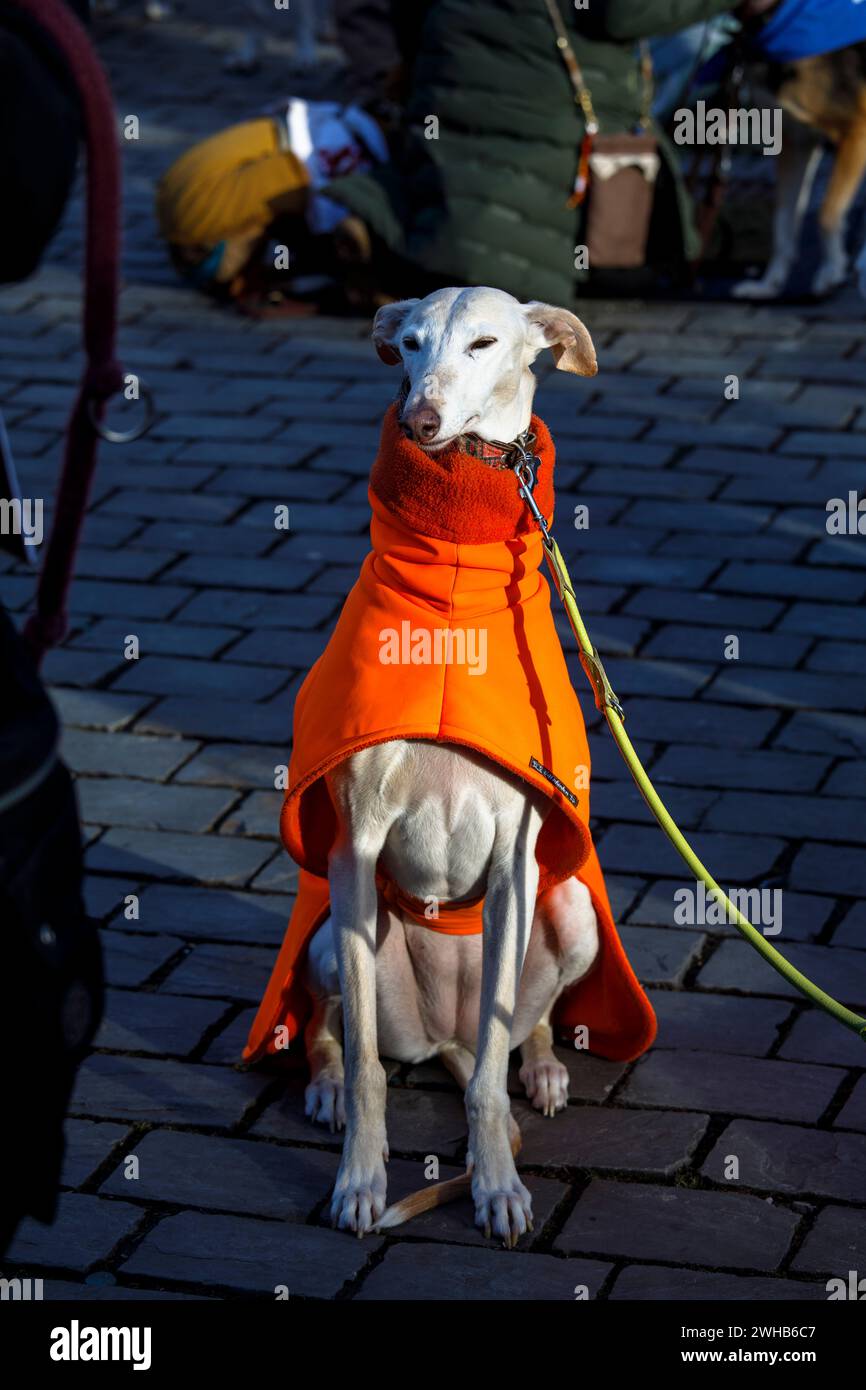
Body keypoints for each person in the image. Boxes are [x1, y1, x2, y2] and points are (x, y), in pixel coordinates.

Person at [323, 0, 741, 305]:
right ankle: (452, 262)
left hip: (452, 83)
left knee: (444, 178)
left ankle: (389, 237)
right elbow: (623, 12)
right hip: (551, 107)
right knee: (629, 268)